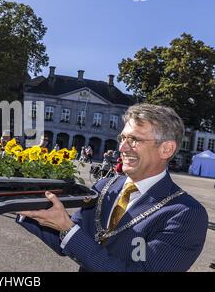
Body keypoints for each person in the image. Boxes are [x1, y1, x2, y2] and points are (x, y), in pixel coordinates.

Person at [17, 103, 208, 271]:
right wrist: (20, 203)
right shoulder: (105, 186)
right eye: (122, 138)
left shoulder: (186, 214)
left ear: (166, 149)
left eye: (135, 140)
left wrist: (68, 228)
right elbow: (67, 241)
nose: (122, 148)